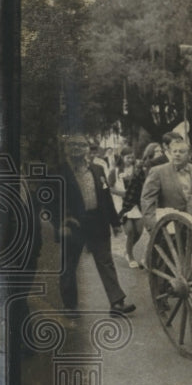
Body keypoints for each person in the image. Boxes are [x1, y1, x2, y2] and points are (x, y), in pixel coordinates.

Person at [52, 133, 135, 316]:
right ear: (65, 149)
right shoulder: (59, 172)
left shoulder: (97, 170)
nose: (76, 148)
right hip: (73, 226)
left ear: (87, 149)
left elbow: (106, 199)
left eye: (81, 145)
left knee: (106, 262)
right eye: (72, 145)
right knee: (69, 265)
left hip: (97, 222)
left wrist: (115, 223)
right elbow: (53, 202)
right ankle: (69, 306)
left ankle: (117, 303)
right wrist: (61, 223)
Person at [140, 137, 192, 232]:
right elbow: (147, 200)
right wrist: (153, 225)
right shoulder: (158, 172)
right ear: (170, 153)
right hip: (169, 227)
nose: (177, 154)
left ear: (189, 155)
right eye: (174, 151)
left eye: (181, 152)